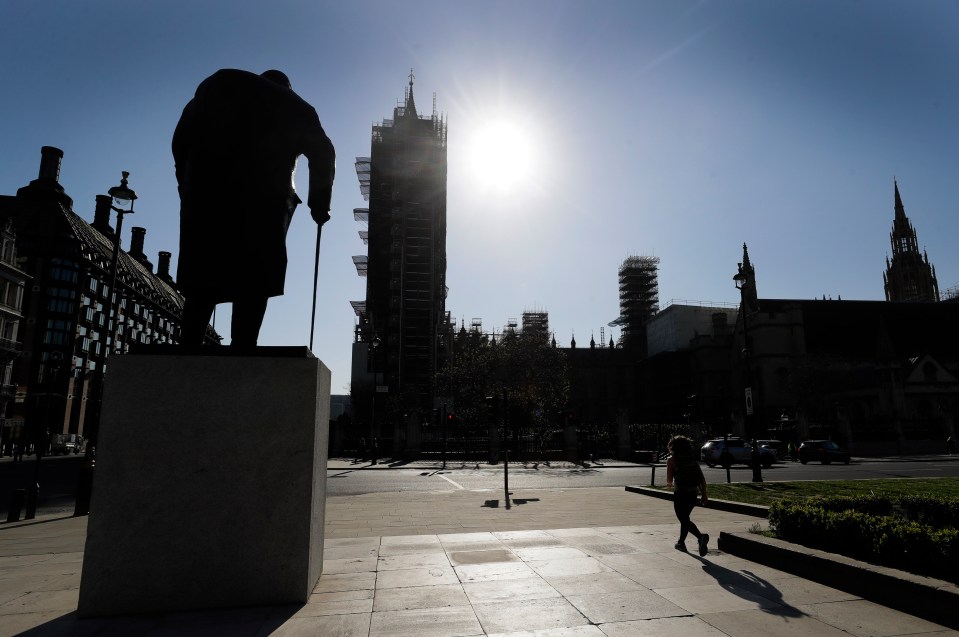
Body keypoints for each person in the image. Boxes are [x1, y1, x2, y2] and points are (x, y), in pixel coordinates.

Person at [173, 68, 336, 347]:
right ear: (287, 86)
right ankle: (243, 346)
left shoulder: (214, 89)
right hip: (265, 199)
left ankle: (188, 344)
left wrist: (185, 185)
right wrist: (319, 206)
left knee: (204, 268)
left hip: (206, 192)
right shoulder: (296, 106)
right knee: (255, 274)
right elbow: (324, 154)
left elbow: (180, 143)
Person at [665, 435, 709, 556]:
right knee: (685, 519)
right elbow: (702, 479)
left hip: (680, 494)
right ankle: (681, 543)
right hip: (693, 494)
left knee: (683, 519)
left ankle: (701, 537)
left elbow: (669, 482)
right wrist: (704, 495)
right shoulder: (692, 459)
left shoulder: (671, 460)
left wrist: (670, 482)